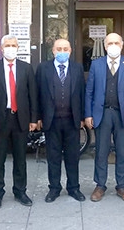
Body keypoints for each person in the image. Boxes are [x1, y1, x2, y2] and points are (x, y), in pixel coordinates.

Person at [85, 33, 124, 203]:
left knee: (123, 152)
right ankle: (100, 185)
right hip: (102, 113)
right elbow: (89, 91)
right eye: (110, 43)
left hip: (123, 114)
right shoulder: (96, 64)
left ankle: (122, 186)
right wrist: (88, 114)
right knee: (101, 151)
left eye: (117, 43)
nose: (113, 46)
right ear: (105, 46)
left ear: (122, 45)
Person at [0, 34, 39, 209]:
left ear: (18, 48)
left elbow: (33, 95)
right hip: (0, 118)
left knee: (20, 158)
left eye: (14, 45)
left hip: (20, 118)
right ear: (2, 49)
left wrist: (33, 118)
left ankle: (20, 191)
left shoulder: (26, 68)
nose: (11, 48)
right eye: (7, 45)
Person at [36, 39, 86, 203]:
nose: (62, 51)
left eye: (65, 49)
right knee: (53, 156)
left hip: (72, 120)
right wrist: (38, 117)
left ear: (70, 51)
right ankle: (54, 188)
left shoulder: (77, 68)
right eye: (59, 49)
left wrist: (82, 117)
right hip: (51, 120)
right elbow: (37, 94)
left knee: (73, 156)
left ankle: (74, 188)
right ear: (53, 51)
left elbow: (82, 93)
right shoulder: (43, 68)